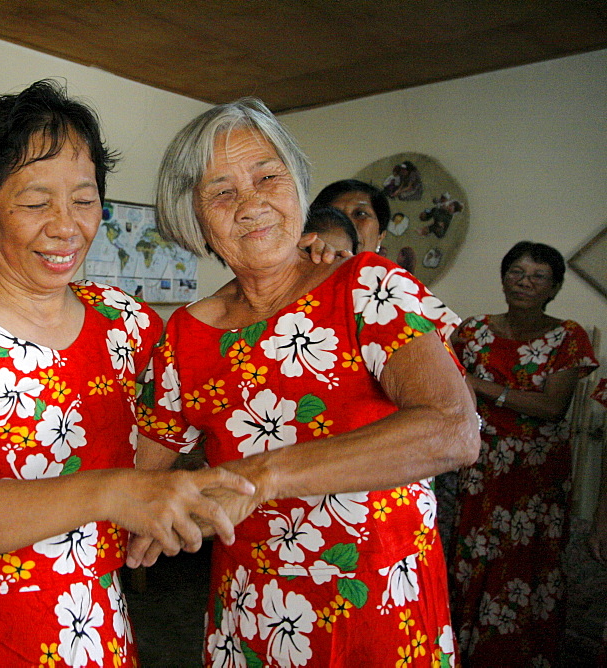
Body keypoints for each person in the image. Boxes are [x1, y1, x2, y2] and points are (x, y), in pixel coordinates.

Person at [0, 80, 262, 667]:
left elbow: (207, 381)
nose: (66, 225)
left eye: (84, 198)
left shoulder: (124, 323)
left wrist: (296, 271)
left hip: (85, 621)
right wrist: (110, 492)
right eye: (34, 202)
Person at [131, 97, 479, 667]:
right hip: (256, 615)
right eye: (221, 192)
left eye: (268, 176)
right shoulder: (187, 336)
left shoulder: (365, 288)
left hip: (380, 608)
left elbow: (453, 430)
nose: (251, 204)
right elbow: (140, 477)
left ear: (296, 186)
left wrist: (263, 474)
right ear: (193, 219)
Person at [450, 241, 599, 666]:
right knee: (472, 555)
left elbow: (553, 407)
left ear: (553, 288)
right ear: (503, 277)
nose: (525, 283)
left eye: (537, 277)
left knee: (527, 564)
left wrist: (484, 388)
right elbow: (448, 388)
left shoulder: (568, 336)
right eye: (516, 272)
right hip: (480, 464)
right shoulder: (473, 330)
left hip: (537, 473)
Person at [311, 178, 390, 254]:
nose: (347, 222)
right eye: (335, 214)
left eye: (360, 214)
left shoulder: (391, 268)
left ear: (380, 237)